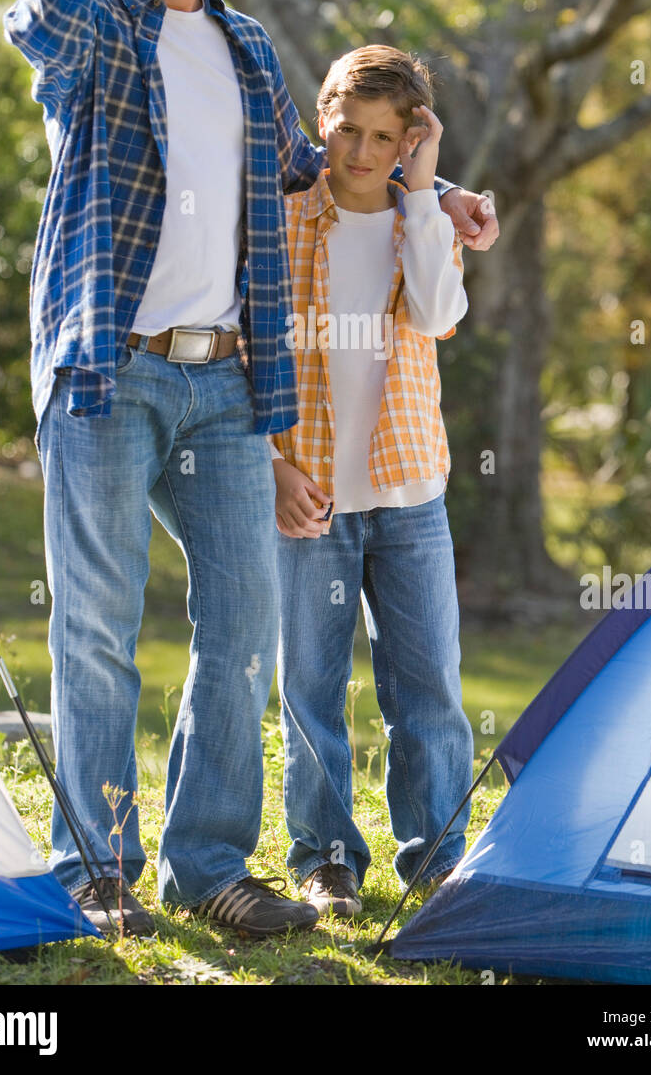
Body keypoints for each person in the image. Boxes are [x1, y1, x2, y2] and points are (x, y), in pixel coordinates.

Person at [4, 0, 497, 938]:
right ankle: (96, 866)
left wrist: (442, 188)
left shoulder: (244, 49)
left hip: (225, 383)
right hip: (106, 374)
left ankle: (208, 864)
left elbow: (319, 171)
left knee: (241, 629)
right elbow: (33, 19)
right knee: (95, 624)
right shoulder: (93, 31)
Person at [270, 46, 475, 917]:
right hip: (309, 496)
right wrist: (269, 465)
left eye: (385, 137)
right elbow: (247, 356)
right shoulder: (276, 224)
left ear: (408, 143)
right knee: (312, 687)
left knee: (427, 687)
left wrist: (429, 191)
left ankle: (436, 862)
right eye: (348, 130)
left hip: (409, 497)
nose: (360, 151)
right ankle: (325, 861)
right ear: (323, 118)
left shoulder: (421, 221)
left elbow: (438, 314)